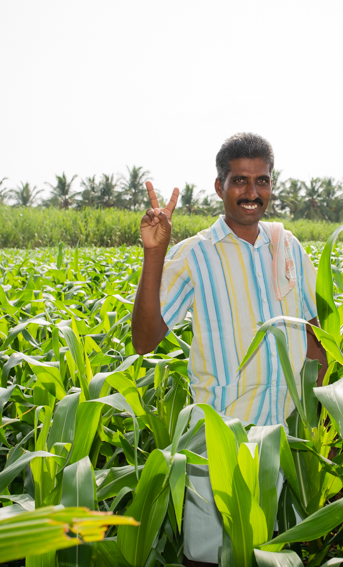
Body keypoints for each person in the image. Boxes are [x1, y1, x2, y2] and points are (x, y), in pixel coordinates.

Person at [131, 132, 328, 566]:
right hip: (216, 435)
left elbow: (313, 337)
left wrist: (321, 418)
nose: (252, 193)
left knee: (265, 553)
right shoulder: (195, 255)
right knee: (205, 556)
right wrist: (154, 254)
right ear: (220, 187)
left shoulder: (287, 246)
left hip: (279, 435)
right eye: (240, 181)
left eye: (262, 181)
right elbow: (144, 341)